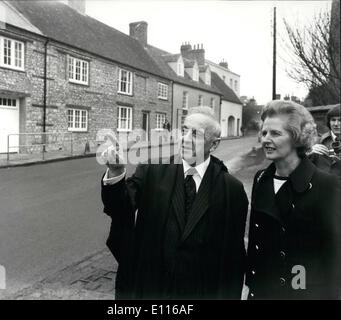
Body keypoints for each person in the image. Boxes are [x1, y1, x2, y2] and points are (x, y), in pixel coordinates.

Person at [101, 106, 248, 299]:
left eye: (195, 134)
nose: (185, 139)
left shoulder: (232, 190)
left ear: (214, 144)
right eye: (184, 130)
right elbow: (119, 208)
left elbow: (233, 258)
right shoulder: (152, 171)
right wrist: (116, 172)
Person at [246, 100, 340, 300]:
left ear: (297, 138)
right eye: (264, 133)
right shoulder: (261, 179)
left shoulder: (327, 185)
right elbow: (256, 242)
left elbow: (334, 257)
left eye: (275, 133)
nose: (265, 140)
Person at [308, 104, 341, 177]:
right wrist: (309, 153)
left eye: (339, 120)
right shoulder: (318, 141)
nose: (336, 124)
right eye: (333, 120)